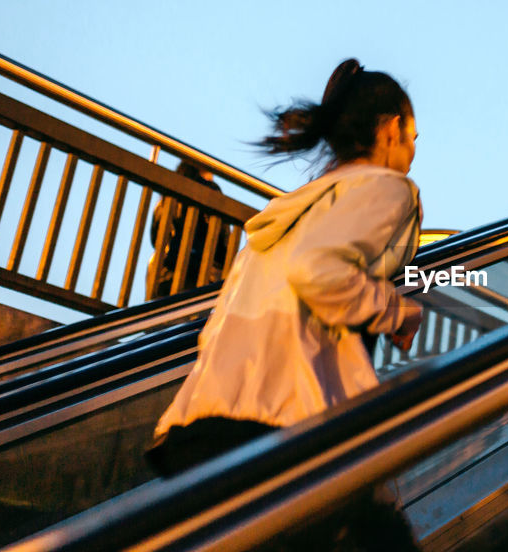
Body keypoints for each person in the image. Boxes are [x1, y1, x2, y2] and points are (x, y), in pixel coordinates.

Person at [146, 59, 424, 550]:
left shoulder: (286, 216)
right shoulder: (386, 187)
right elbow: (319, 272)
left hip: (201, 432)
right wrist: (398, 311)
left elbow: (217, 329)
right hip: (287, 436)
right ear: (390, 129)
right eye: (413, 137)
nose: (413, 153)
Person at [146, 162, 232, 300]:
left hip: (165, 273)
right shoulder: (213, 193)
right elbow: (226, 244)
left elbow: (155, 237)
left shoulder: (167, 196)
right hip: (203, 278)